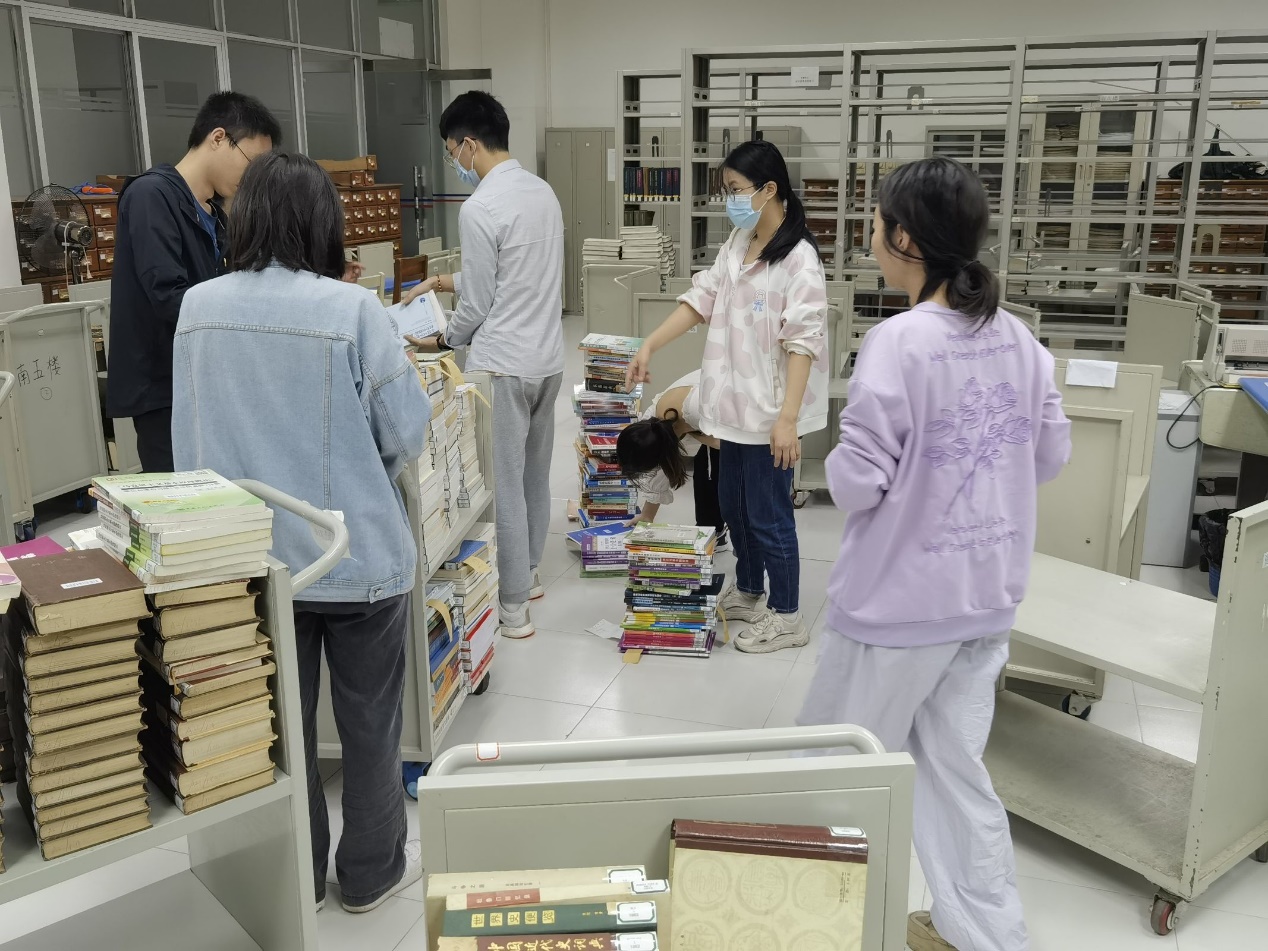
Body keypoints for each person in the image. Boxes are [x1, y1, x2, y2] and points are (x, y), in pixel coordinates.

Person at [797, 157, 1071, 951]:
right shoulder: (1020, 339)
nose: (870, 234)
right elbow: (1050, 455)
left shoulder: (899, 342)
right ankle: (988, 936)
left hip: (895, 608)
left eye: (877, 222)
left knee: (831, 771)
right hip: (984, 602)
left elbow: (856, 485)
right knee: (956, 776)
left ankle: (802, 922)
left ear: (905, 239)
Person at [170, 151, 431, 915]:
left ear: (244, 217)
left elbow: (188, 445)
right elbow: (406, 432)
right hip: (358, 559)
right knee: (370, 726)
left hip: (252, 564)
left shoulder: (197, 308)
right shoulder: (352, 310)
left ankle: (299, 876)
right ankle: (371, 873)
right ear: (325, 224)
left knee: (282, 734)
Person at [626, 139, 828, 655]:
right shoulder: (738, 243)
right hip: (728, 408)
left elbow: (803, 343)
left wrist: (788, 419)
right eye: (726, 190)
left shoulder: (799, 260)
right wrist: (650, 343)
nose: (729, 200)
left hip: (769, 415)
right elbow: (700, 299)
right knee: (735, 510)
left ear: (769, 190)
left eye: (736, 190)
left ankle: (788, 615)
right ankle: (750, 588)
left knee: (769, 516)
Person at [403, 91, 565, 640]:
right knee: (535, 475)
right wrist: (440, 282)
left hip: (503, 366)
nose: (455, 162)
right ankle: (531, 574)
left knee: (505, 484)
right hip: (547, 360)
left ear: (468, 144)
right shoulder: (543, 192)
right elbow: (515, 273)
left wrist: (443, 338)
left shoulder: (479, 207)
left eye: (452, 152)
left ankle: (512, 606)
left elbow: (476, 303)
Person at [107, 91, 281, 472]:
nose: (253, 180)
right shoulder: (151, 196)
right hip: (164, 388)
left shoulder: (215, 214)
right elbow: (168, 295)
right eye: (252, 164)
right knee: (180, 495)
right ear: (218, 138)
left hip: (204, 378)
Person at [615, 369, 728, 549]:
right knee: (704, 472)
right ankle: (713, 530)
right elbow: (660, 470)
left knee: (732, 486)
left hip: (743, 404)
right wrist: (647, 516)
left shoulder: (696, 410)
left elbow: (734, 445)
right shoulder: (653, 426)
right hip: (711, 409)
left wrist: (698, 436)